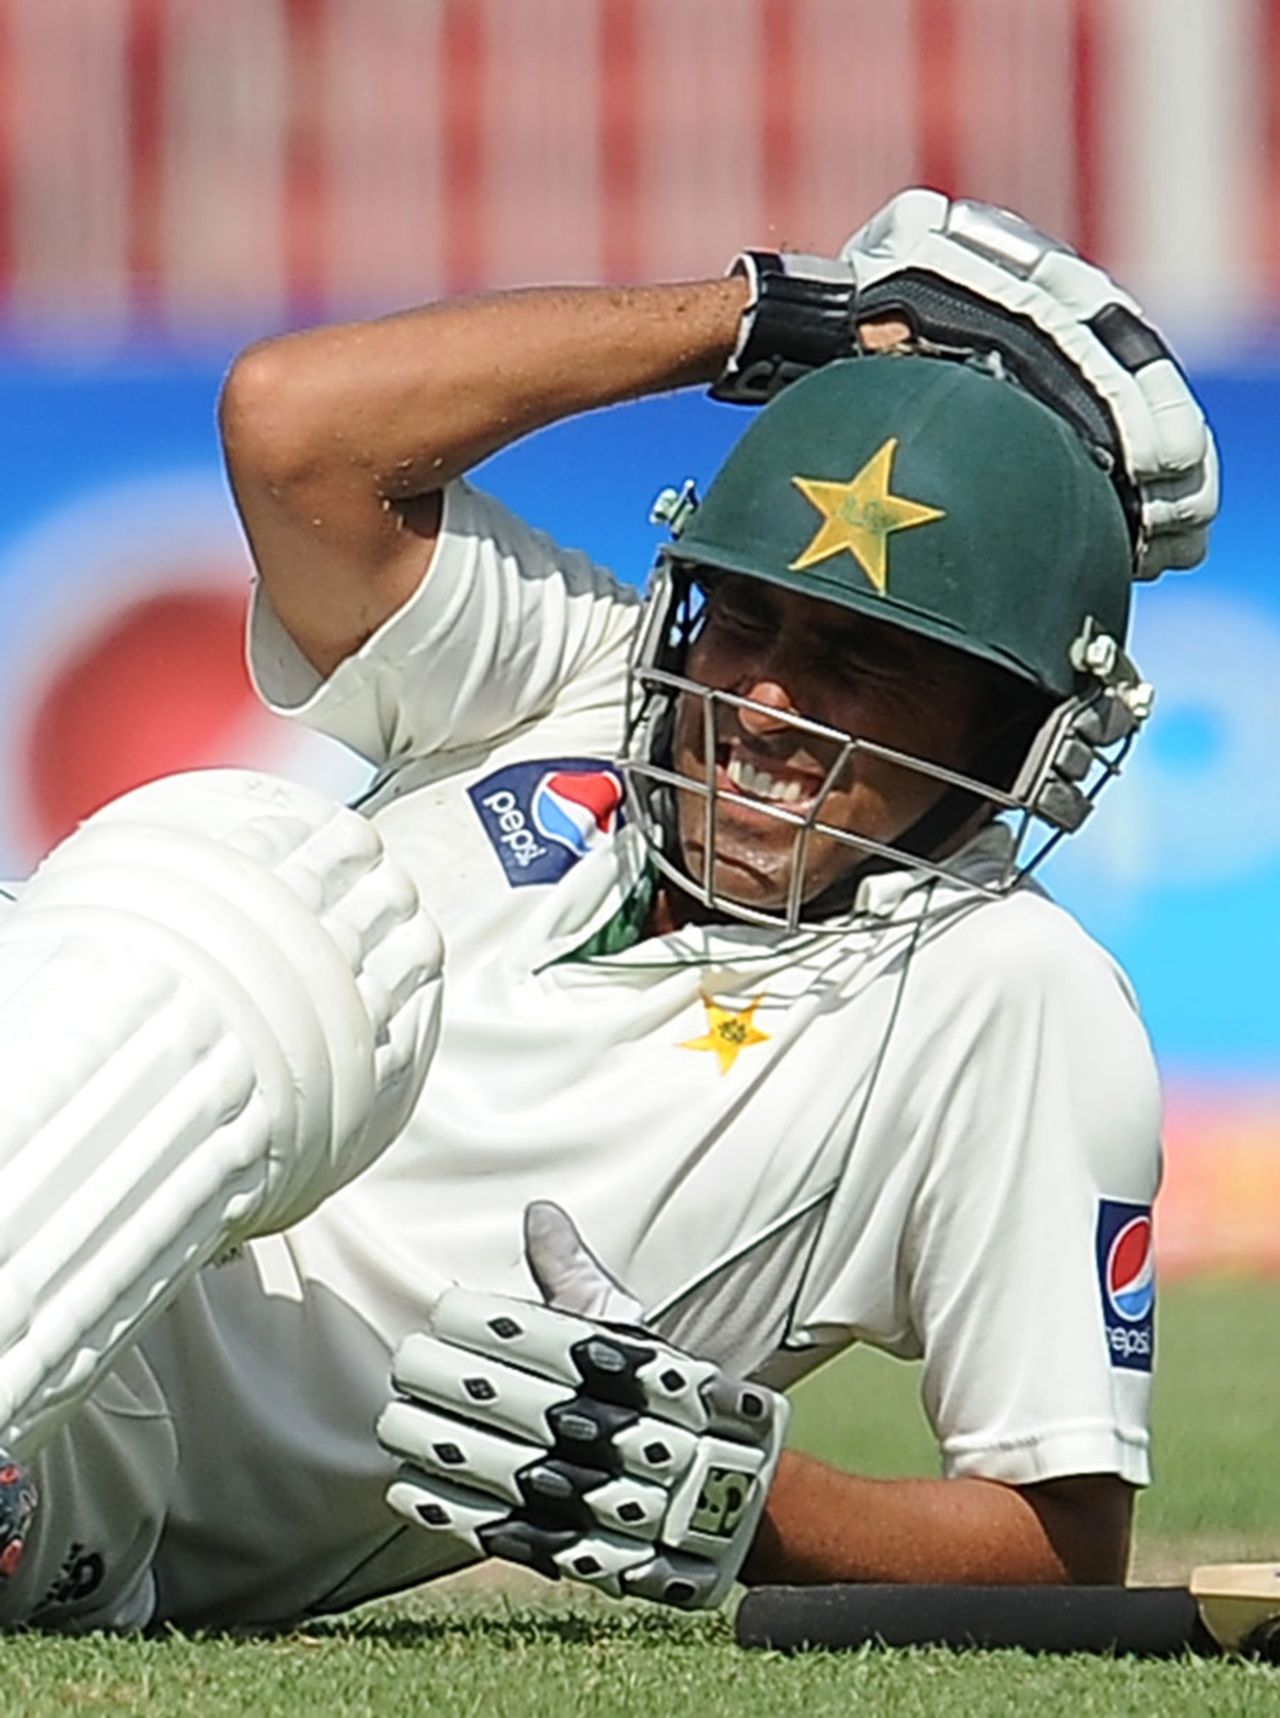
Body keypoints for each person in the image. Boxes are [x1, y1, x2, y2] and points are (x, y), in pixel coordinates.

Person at [0, 192, 1217, 1631]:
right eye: (745, 617)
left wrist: (745, 1493)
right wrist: (773, 317)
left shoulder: (1006, 989)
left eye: (864, 663)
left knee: (261, 887)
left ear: (1014, 730)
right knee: (219, 873)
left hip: (99, 1462)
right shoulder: (590, 677)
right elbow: (294, 431)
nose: (765, 702)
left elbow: (1063, 1544)